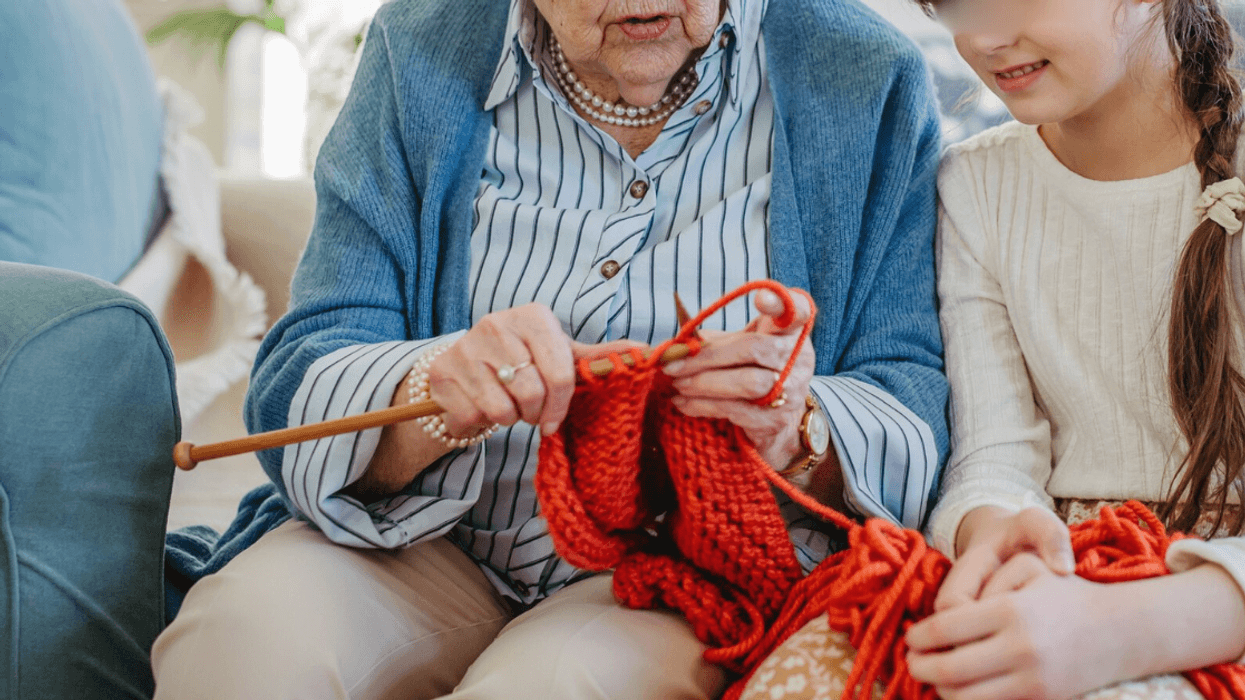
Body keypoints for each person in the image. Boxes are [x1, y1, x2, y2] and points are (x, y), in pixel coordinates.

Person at [150, 0, 948, 697]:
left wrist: (795, 429)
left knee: (563, 684)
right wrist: (429, 388)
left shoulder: (861, 74)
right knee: (242, 637)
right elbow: (306, 365)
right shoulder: (417, 45)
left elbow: (912, 394)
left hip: (679, 570)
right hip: (425, 538)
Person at [739, 0, 1245, 699]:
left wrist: (1115, 624)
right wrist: (1001, 535)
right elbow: (994, 454)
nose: (983, 38)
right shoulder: (974, 183)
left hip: (1211, 601)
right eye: (952, 5)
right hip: (1055, 568)